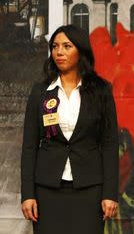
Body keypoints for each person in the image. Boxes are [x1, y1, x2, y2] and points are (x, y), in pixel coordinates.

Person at [21, 25, 119, 234]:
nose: (59, 52)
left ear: (81, 51)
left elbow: (110, 144)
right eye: (55, 46)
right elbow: (29, 147)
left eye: (67, 46)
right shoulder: (41, 92)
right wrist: (27, 194)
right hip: (47, 190)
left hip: (90, 188)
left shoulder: (101, 90)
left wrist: (110, 193)